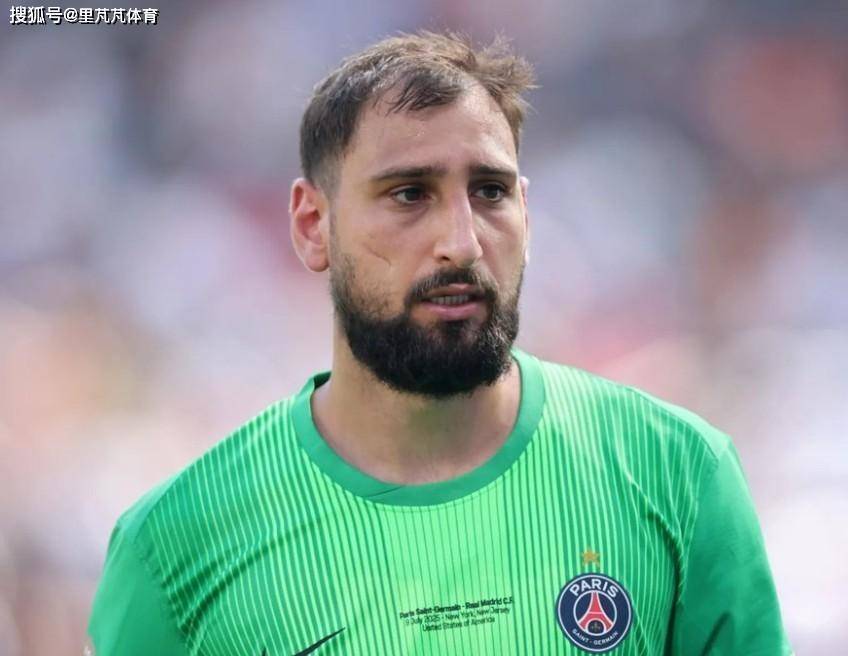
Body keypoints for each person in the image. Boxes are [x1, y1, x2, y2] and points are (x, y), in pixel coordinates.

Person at [87, 31, 792, 655]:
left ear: (527, 213)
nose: (462, 242)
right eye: (409, 194)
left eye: (489, 192)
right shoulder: (174, 547)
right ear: (312, 225)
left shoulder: (678, 474)